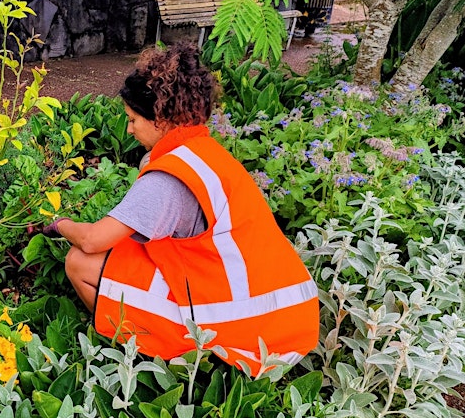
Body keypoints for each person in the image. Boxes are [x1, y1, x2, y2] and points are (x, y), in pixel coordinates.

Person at [41, 43, 319, 375]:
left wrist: (61, 224)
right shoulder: (203, 151)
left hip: (240, 326)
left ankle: (135, 358)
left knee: (79, 262)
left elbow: (93, 241)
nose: (129, 129)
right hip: (286, 314)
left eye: (132, 119)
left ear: (160, 119)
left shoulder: (167, 181)